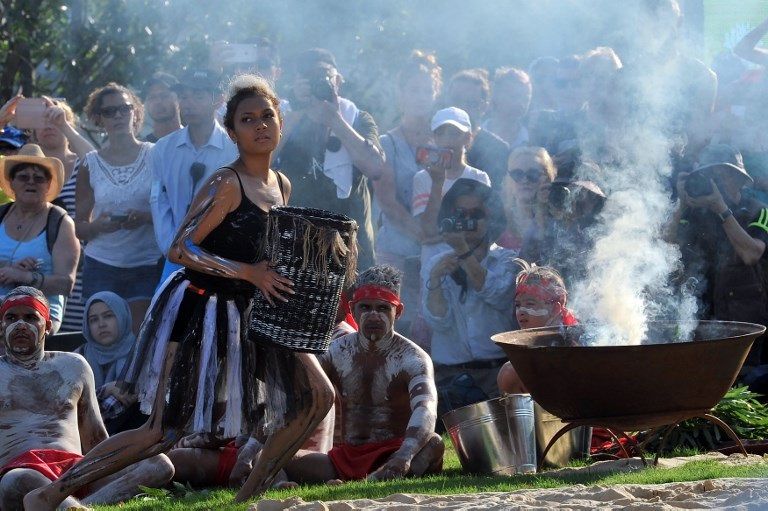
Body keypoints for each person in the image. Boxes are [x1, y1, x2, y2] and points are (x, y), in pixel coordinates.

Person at [24, 74, 335, 510]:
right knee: (162, 430)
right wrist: (248, 271)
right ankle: (51, 492)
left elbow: (266, 257)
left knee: (319, 395)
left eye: (267, 116)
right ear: (233, 132)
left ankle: (245, 499)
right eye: (248, 119)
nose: (260, 125)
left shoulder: (281, 185)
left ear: (280, 123)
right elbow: (180, 246)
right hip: (200, 309)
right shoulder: (226, 183)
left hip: (252, 310)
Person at [0, 286, 174, 510]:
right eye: (11, 317)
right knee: (18, 480)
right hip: (19, 470)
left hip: (75, 472)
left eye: (31, 317)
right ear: (1, 325)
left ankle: (76, 506)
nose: (21, 325)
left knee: (159, 464)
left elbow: (96, 440)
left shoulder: (75, 366)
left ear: (48, 326)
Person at [282, 265, 444, 483]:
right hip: (345, 458)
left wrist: (404, 455)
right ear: (353, 309)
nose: (373, 316)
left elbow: (426, 410)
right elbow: (296, 397)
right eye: (365, 307)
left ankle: (386, 473)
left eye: (383, 308)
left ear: (399, 311)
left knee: (433, 444)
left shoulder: (413, 357)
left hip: (394, 454)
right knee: (275, 456)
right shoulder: (335, 352)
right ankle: (282, 482)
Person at [275, 48, 384, 271]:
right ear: (297, 82)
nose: (318, 83)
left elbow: (375, 168)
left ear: (339, 80)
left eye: (324, 76)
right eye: (310, 77)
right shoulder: (281, 116)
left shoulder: (356, 117)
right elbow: (257, 165)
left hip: (351, 247)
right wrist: (296, 111)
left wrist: (335, 120)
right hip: (295, 245)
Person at [422, 178, 515, 412]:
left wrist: (464, 252)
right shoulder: (437, 262)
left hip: (497, 374)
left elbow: (500, 295)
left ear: (491, 217)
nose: (467, 220)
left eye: (476, 214)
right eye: (460, 213)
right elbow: (438, 322)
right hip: (449, 377)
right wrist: (434, 282)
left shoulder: (507, 260)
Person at [670, 144, 768, 366]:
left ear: (740, 179)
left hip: (743, 320)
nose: (716, 180)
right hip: (700, 315)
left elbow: (751, 254)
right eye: (711, 174)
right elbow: (666, 246)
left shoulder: (757, 210)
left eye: (723, 173)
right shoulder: (695, 211)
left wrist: (722, 210)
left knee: (743, 381)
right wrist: (681, 205)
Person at [77, 83, 161, 333]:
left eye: (124, 108)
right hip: (101, 264)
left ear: (135, 112)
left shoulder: (157, 155)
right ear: (98, 119)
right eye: (109, 111)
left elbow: (173, 211)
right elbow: (79, 227)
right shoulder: (89, 164)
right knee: (104, 339)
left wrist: (145, 218)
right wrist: (98, 225)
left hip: (145, 263)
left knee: (140, 337)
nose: (118, 116)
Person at [373, 50, 442, 336]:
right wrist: (425, 237)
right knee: (397, 329)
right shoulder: (387, 142)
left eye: (427, 90)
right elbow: (388, 204)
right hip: (398, 253)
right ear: (401, 94)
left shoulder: (444, 141)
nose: (421, 96)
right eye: (414, 90)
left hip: (434, 253)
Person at [150, 68, 238, 283]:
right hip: (174, 256)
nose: (188, 103)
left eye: (198, 96)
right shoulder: (162, 148)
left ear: (219, 100)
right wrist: (172, 247)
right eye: (183, 96)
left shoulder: (234, 147)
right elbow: (159, 202)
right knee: (166, 315)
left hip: (220, 257)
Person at [0, 144, 79, 334]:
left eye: (39, 178)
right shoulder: (0, 214)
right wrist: (7, 269)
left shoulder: (60, 222)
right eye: (23, 177)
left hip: (38, 312)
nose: (31, 182)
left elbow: (66, 284)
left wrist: (27, 277)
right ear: (11, 182)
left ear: (48, 184)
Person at [411, 107, 491, 268]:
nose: (447, 140)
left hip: (470, 263)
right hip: (432, 264)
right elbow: (428, 231)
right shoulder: (423, 178)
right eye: (440, 133)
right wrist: (437, 183)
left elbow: (483, 231)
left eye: (454, 133)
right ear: (433, 138)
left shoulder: (479, 178)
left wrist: (441, 236)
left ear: (468, 138)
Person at [497, 260, 577, 394]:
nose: (521, 311)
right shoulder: (513, 373)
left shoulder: (583, 349)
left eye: (530, 304)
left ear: (556, 308)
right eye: (518, 305)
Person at [76, 291, 141, 435]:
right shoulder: (77, 357)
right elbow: (64, 404)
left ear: (122, 316)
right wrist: (106, 389)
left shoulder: (142, 355)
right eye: (93, 319)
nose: (101, 324)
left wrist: (92, 398)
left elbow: (125, 400)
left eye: (108, 316)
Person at [445, 69, 510, 188]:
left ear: (484, 107)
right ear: (447, 101)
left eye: (471, 103)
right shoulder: (431, 141)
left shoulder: (497, 150)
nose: (462, 108)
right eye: (456, 100)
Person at [498, 146, 557, 254]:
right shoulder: (498, 220)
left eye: (533, 174)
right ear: (509, 179)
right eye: (517, 174)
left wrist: (540, 211)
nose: (525, 180)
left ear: (547, 178)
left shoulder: (558, 221)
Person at [483, 67, 531, 150]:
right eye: (514, 96)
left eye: (526, 99)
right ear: (495, 95)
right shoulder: (473, 138)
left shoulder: (534, 141)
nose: (521, 104)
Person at [142, 72, 182, 143]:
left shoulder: (197, 142)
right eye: (152, 97)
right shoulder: (142, 150)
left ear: (179, 99)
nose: (158, 101)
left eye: (164, 96)